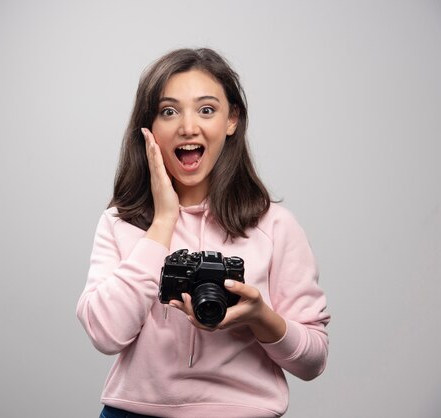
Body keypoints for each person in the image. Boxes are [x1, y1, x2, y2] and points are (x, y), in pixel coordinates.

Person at [76, 48, 330, 418]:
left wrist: (259, 316)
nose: (188, 127)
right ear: (148, 128)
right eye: (168, 111)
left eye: (206, 110)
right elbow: (105, 334)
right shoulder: (121, 222)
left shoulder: (275, 225)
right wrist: (162, 223)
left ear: (232, 120)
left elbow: (313, 361)